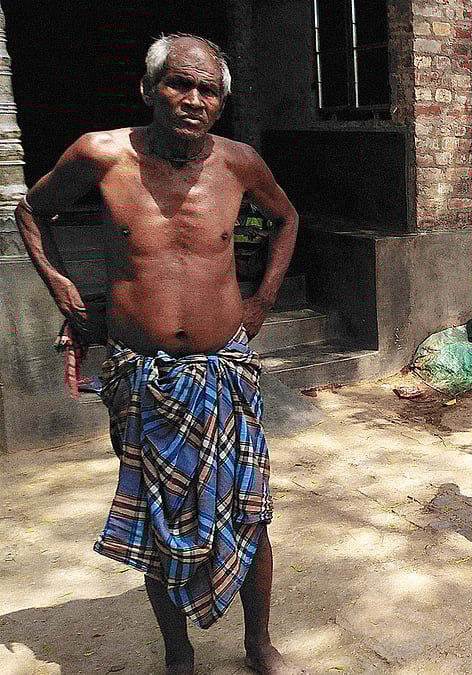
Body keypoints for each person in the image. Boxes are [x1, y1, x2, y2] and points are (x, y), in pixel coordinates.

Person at [15, 34, 303, 675]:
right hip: (142, 380)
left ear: (221, 103)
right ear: (150, 89)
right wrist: (60, 283)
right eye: (179, 84)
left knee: (252, 513)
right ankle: (179, 654)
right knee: (158, 525)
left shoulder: (240, 163)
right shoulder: (102, 154)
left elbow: (287, 219)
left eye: (208, 90)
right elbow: (31, 209)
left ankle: (259, 644)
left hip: (225, 373)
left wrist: (261, 302)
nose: (193, 100)